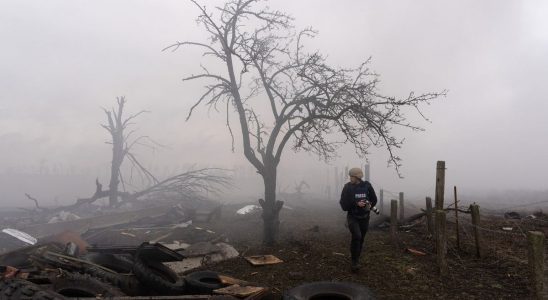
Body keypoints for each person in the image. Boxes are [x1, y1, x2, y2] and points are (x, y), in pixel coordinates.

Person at [339, 167, 377, 272]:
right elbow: (343, 205)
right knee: (357, 236)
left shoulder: (367, 186)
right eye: (350, 176)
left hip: (365, 217)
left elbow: (374, 199)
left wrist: (368, 204)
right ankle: (354, 262)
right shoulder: (347, 187)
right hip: (352, 217)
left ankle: (356, 258)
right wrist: (356, 203)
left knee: (361, 239)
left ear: (358, 177)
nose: (350, 178)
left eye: (352, 176)